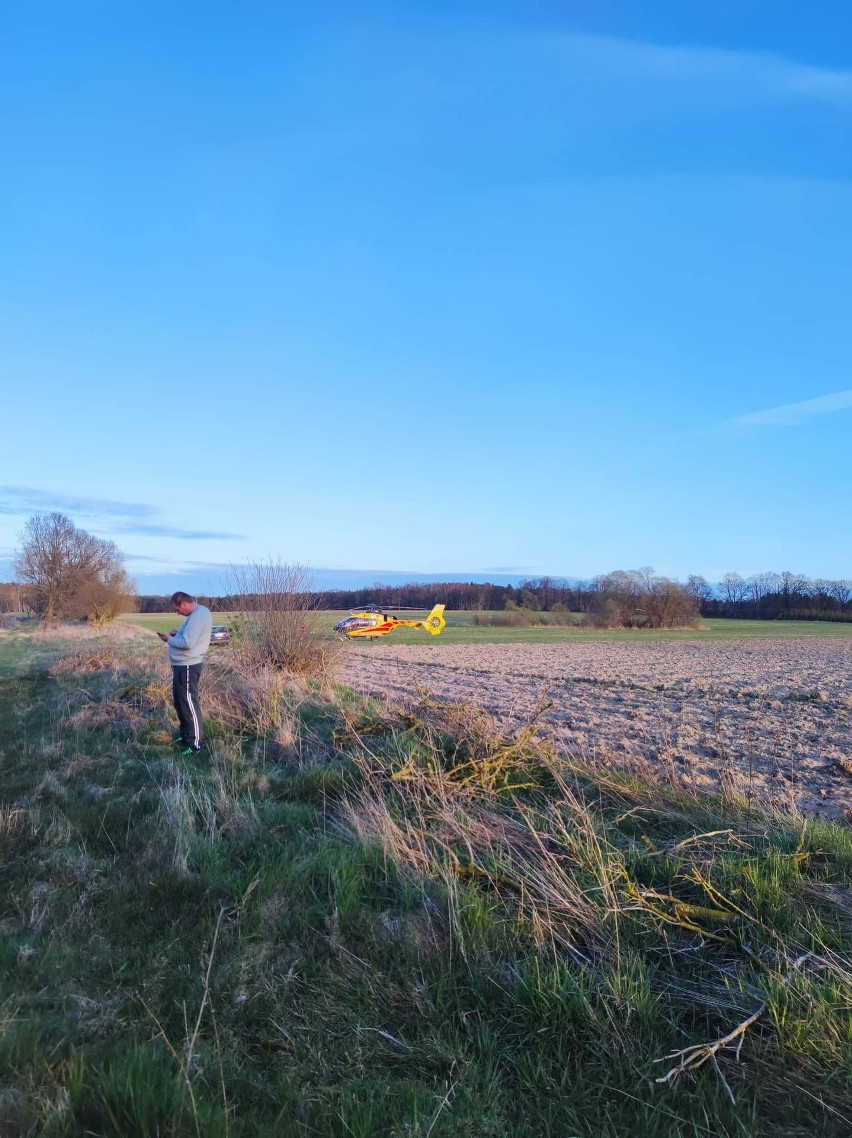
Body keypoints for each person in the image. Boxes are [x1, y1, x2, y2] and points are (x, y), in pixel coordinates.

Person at [157, 591, 213, 755]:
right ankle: (186, 735)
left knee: (189, 703)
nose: (177, 613)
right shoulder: (197, 614)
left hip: (188, 665)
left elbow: (188, 643)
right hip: (182, 664)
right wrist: (177, 634)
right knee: (180, 703)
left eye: (177, 609)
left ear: (183, 604)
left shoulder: (197, 616)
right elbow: (188, 637)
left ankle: (196, 744)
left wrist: (169, 639)